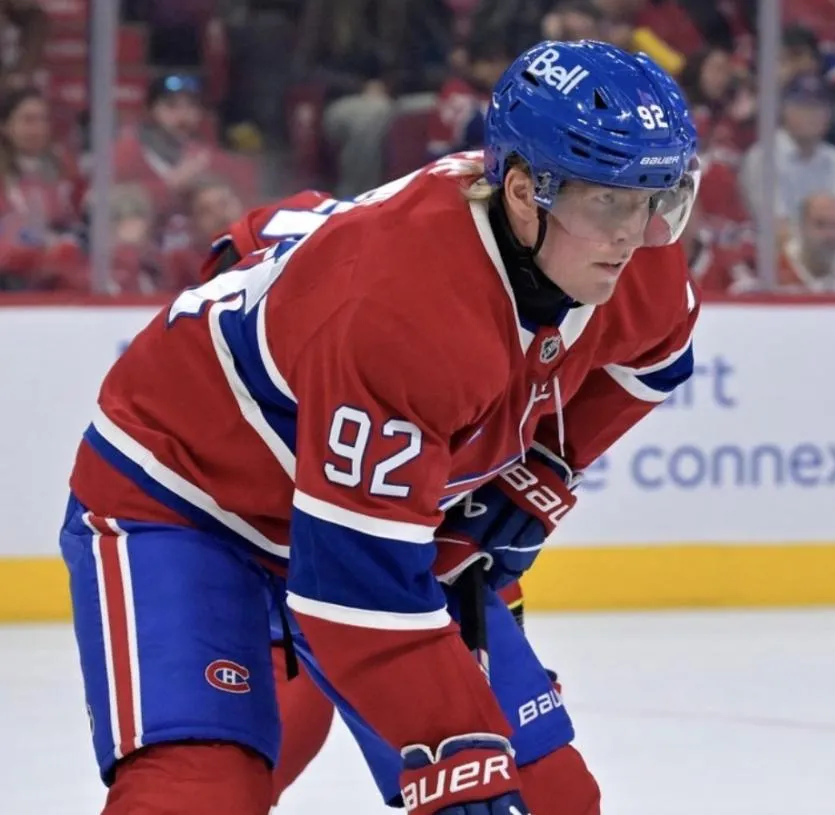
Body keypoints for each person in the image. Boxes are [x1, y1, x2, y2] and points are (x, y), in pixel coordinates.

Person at [58, 39, 699, 815]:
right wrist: (455, 750)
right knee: (202, 788)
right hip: (189, 499)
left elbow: (657, 359)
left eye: (659, 196)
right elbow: (352, 585)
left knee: (551, 797)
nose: (637, 231)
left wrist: (541, 473)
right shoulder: (406, 312)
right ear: (527, 191)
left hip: (363, 513)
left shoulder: (632, 254)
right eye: (608, 200)